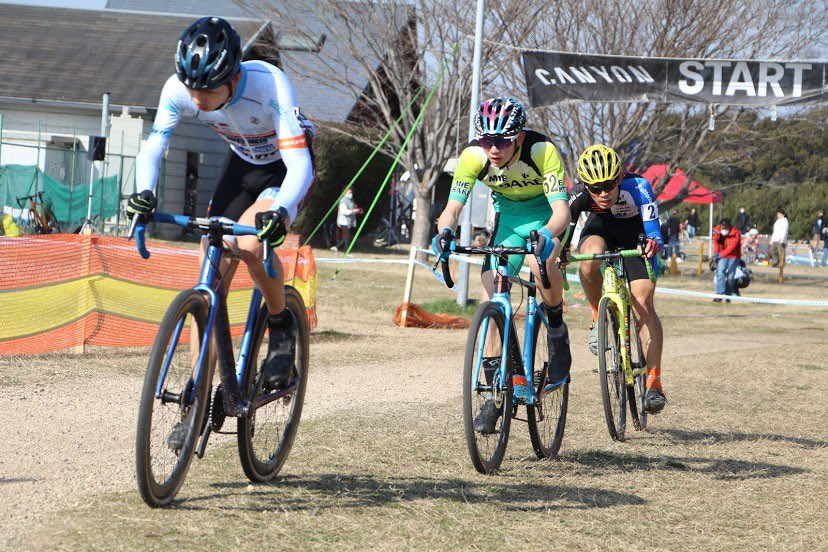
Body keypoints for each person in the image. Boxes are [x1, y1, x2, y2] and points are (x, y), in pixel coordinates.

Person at [127, 17, 315, 411]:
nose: (197, 99)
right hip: (242, 167)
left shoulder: (269, 86)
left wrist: (280, 212)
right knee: (208, 266)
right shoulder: (178, 90)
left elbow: (300, 165)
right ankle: (197, 393)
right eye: (191, 87)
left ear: (232, 77)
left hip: (285, 168)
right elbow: (154, 146)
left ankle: (280, 325)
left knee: (248, 243)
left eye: (207, 89)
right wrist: (144, 194)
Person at [432, 96, 571, 434]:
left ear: (519, 137)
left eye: (502, 141)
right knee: (492, 293)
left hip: (546, 217)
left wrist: (547, 236)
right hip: (508, 220)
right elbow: (452, 208)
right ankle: (495, 393)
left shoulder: (541, 151)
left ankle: (556, 331)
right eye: (486, 140)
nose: (493, 149)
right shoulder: (473, 157)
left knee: (541, 267)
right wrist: (445, 231)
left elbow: (562, 212)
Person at [562, 144, 666, 413]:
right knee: (590, 257)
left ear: (620, 177)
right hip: (601, 230)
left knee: (643, 302)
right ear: (585, 185)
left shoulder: (639, 187)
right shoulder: (578, 195)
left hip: (636, 237)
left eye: (609, 185)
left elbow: (654, 232)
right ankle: (598, 313)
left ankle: (654, 382)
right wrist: (560, 251)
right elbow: (563, 232)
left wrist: (652, 244)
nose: (603, 193)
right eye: (595, 188)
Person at [712, 218, 741, 302]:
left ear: (729, 227)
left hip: (734, 256)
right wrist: (716, 253)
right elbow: (716, 243)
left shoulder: (736, 234)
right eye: (722, 228)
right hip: (722, 256)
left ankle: (728, 295)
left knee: (731, 276)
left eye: (726, 228)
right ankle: (719, 294)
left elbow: (731, 248)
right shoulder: (718, 232)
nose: (724, 230)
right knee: (720, 272)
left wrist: (720, 255)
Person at [332, 188, 363, 254]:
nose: (350, 194)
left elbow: (352, 208)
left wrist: (358, 211)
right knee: (347, 236)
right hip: (344, 221)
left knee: (348, 236)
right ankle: (346, 252)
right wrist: (353, 211)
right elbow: (344, 211)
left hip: (350, 221)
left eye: (351, 192)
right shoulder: (343, 201)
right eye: (349, 192)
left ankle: (336, 247)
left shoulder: (351, 200)